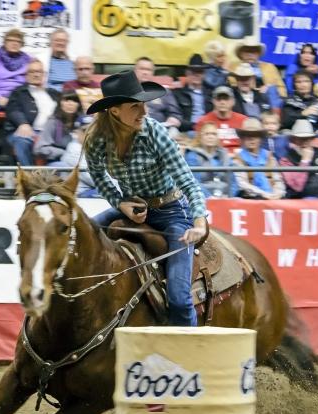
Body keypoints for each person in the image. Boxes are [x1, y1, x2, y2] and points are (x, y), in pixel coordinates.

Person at [83, 70, 208, 326]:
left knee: (178, 296)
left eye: (143, 105)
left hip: (173, 211)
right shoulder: (96, 140)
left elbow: (186, 179)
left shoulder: (155, 133)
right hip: (133, 208)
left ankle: (190, 354)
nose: (144, 112)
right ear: (115, 111)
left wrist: (199, 220)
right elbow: (98, 176)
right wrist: (120, 203)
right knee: (82, 235)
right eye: (135, 106)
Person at [4, 59, 59, 166]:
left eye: (39, 72)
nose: (36, 75)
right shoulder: (19, 92)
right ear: (26, 75)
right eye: (32, 72)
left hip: (51, 133)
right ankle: (29, 176)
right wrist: (23, 123)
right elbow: (13, 110)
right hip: (28, 131)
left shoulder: (54, 94)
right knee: (22, 140)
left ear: (44, 75)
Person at [232, 118, 285, 199]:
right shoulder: (237, 158)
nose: (251, 139)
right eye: (248, 136)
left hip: (273, 197)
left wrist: (278, 193)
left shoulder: (269, 156)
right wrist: (263, 194)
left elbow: (278, 180)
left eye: (255, 136)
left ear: (260, 138)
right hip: (251, 199)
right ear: (242, 139)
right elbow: (242, 183)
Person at [183, 122, 236, 198]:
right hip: (202, 198)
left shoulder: (225, 155)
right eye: (207, 134)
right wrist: (210, 197)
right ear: (200, 137)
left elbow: (233, 182)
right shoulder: (192, 155)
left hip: (225, 197)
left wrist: (230, 197)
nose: (210, 137)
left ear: (217, 137)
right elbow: (194, 181)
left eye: (214, 134)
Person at [232, 39, 286, 107]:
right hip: (243, 101)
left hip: (269, 102)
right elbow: (233, 87)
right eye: (247, 51)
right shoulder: (233, 68)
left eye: (253, 51)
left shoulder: (270, 67)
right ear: (241, 54)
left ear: (259, 53)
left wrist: (269, 87)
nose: (250, 54)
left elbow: (282, 90)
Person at [134, 57, 182, 133]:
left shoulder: (163, 91)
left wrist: (173, 119)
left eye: (148, 70)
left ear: (153, 73)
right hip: (133, 128)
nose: (145, 72)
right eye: (142, 69)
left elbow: (175, 113)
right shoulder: (126, 90)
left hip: (159, 130)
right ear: (135, 71)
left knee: (174, 131)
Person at [34, 90, 83, 164]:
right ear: (60, 104)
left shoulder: (83, 122)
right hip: (58, 161)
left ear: (78, 105)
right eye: (66, 100)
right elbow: (39, 148)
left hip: (81, 160)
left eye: (74, 101)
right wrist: (64, 153)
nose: (70, 104)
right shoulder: (52, 122)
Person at [281, 71, 318, 135]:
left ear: (311, 84)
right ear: (294, 85)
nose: (303, 85)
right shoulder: (289, 101)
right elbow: (286, 121)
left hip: (315, 132)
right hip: (294, 132)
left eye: (306, 81)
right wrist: (303, 114)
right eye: (299, 82)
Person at [173, 54, 213, 133]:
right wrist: (194, 126)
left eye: (200, 71)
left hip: (208, 131)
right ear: (187, 73)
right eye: (193, 71)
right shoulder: (178, 94)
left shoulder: (211, 94)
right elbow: (176, 118)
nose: (196, 74)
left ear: (204, 74)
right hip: (187, 131)